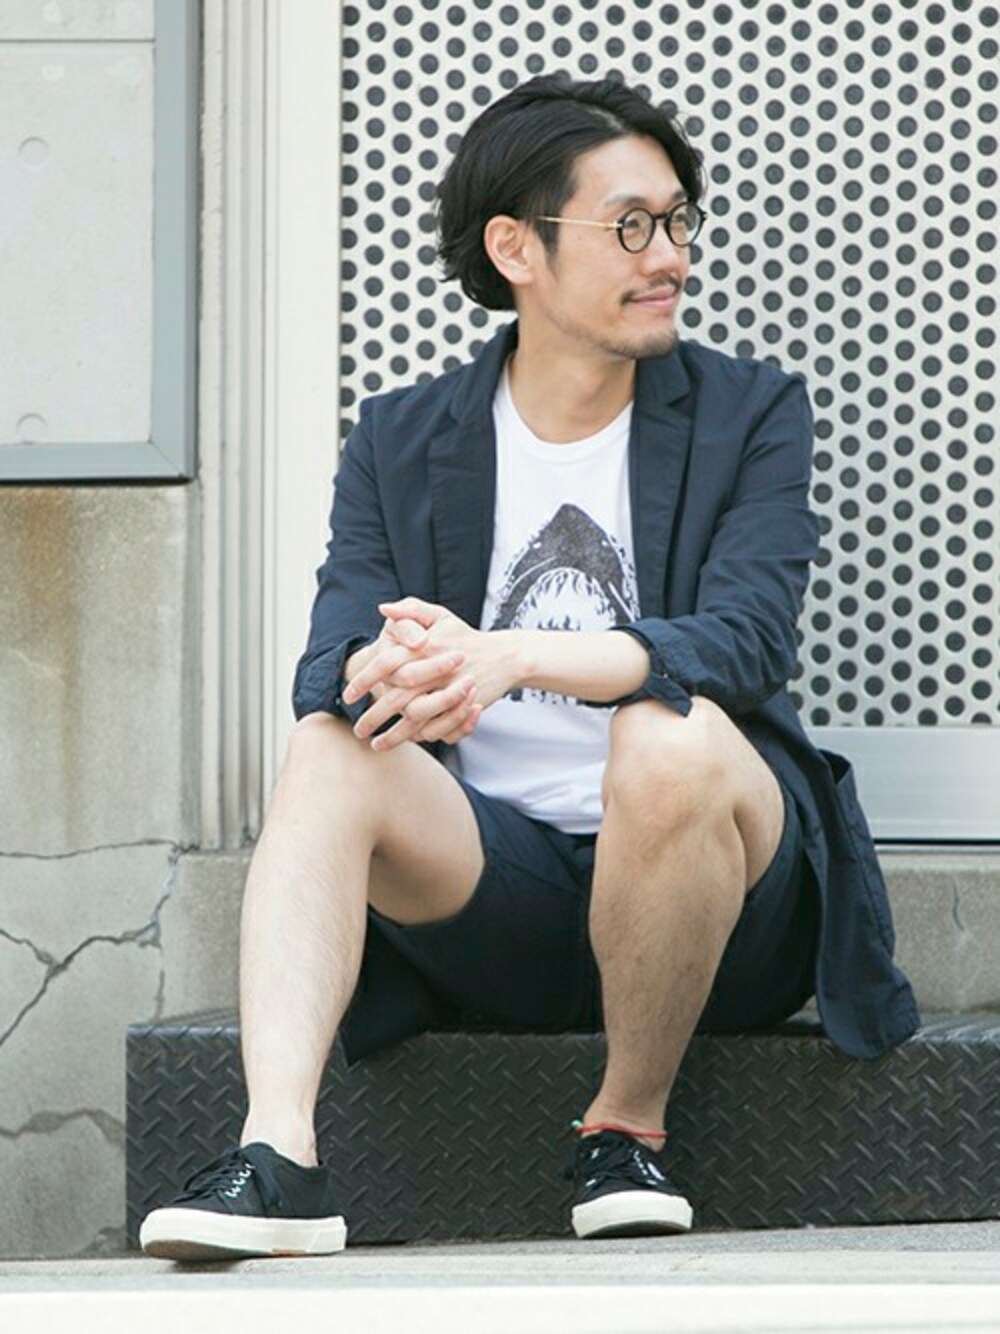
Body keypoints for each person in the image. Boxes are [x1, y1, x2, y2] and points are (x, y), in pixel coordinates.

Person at [139, 73, 918, 1261]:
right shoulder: (404, 436)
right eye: (629, 226)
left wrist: (509, 655)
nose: (670, 256)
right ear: (516, 247)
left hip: (713, 899)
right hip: (498, 886)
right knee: (329, 745)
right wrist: (396, 663)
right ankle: (278, 1153)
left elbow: (748, 639)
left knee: (664, 731)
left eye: (677, 221)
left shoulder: (748, 412)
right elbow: (328, 662)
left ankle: (627, 1128)